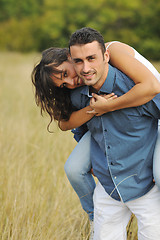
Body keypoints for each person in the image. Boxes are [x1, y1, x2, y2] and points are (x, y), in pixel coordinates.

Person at [31, 40, 160, 239]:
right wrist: (98, 149)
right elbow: (67, 124)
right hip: (108, 116)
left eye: (66, 74)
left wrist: (109, 107)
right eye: (64, 84)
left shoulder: (112, 52)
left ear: (70, 57)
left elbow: (151, 88)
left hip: (149, 107)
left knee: (158, 174)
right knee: (74, 168)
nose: (71, 83)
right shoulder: (80, 87)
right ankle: (95, 217)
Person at [68, 27, 160, 239]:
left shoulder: (136, 88)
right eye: (78, 61)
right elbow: (79, 129)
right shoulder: (79, 96)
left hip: (146, 186)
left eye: (92, 58)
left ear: (106, 56)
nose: (85, 68)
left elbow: (153, 90)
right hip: (108, 188)